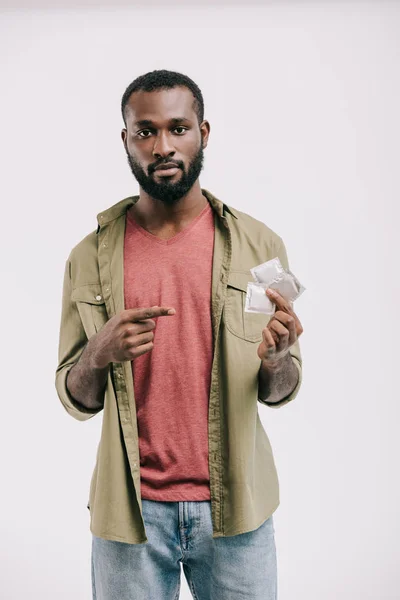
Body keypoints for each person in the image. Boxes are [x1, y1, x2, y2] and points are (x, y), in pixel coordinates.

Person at [55, 69, 304, 600]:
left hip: (238, 511)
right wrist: (97, 354)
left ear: (203, 133)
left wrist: (278, 359)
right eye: (145, 131)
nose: (163, 146)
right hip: (131, 518)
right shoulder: (88, 258)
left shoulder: (260, 244)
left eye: (178, 128)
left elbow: (278, 390)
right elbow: (76, 399)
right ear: (126, 140)